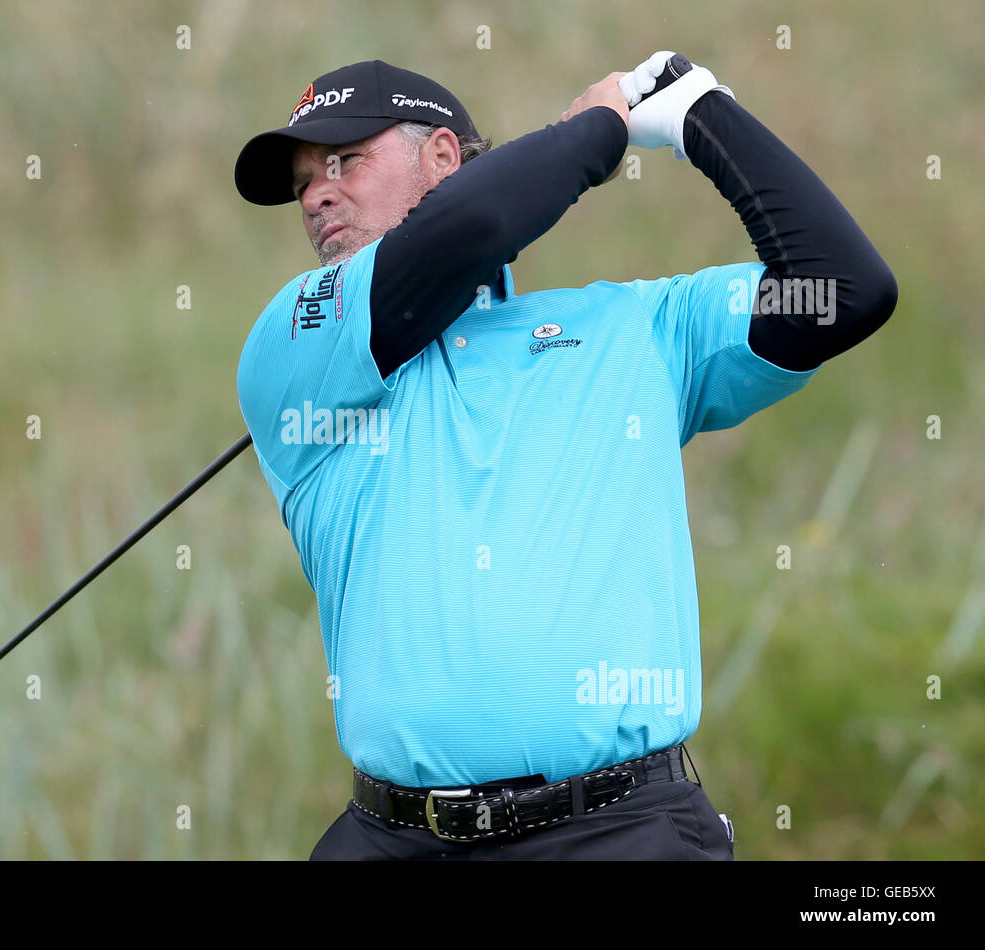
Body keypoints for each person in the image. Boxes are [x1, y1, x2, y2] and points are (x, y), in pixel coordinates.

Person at [232, 54, 897, 859]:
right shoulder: (297, 346)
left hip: (623, 834)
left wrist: (702, 119)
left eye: (344, 162)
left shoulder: (639, 328)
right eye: (304, 180)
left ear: (442, 159)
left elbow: (844, 288)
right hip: (394, 841)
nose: (316, 195)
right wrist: (596, 131)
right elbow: (469, 230)